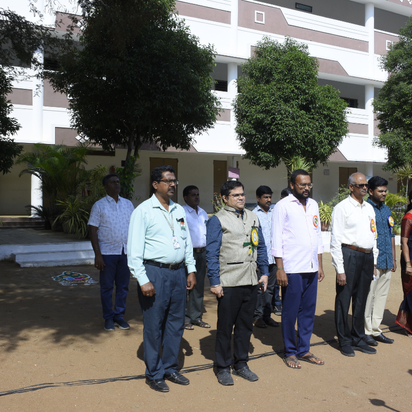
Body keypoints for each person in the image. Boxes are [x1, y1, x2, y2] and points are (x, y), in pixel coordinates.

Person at [127, 165, 196, 393]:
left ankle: (170, 368)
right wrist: (142, 279)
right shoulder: (143, 211)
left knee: (176, 323)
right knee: (154, 325)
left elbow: (186, 242)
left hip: (178, 273)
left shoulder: (179, 210)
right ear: (155, 184)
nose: (173, 184)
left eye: (174, 180)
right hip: (154, 273)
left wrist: (191, 269)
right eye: (168, 181)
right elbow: (134, 250)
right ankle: (154, 374)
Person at [206, 180, 268, 386]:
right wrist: (214, 281)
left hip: (250, 279)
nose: (241, 198)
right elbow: (212, 253)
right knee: (225, 327)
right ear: (225, 198)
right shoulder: (218, 220)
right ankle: (223, 367)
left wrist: (264, 272)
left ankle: (241, 363)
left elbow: (261, 245)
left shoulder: (252, 217)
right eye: (236, 195)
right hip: (229, 281)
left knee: (245, 326)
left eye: (242, 194)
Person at [271, 169, 325, 369]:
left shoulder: (313, 205)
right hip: (292, 268)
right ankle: (290, 351)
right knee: (290, 312)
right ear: (292, 185)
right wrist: (280, 268)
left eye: (309, 184)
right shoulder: (282, 206)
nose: (306, 188)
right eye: (302, 185)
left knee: (308, 311)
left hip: (311, 267)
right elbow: (276, 237)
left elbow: (317, 235)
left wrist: (319, 265)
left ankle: (304, 349)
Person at [330, 172, 378, 357]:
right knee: (344, 299)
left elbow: (373, 234)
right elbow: (335, 240)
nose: (365, 188)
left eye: (366, 185)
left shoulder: (369, 208)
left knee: (361, 299)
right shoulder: (342, 208)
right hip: (349, 254)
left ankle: (358, 337)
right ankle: (344, 340)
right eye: (361, 185)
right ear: (351, 187)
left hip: (367, 256)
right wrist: (340, 269)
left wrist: (374, 261)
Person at [88, 174, 135, 331]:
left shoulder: (128, 204)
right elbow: (93, 230)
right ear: (105, 187)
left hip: (125, 252)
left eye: (118, 181)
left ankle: (119, 316)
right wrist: (98, 254)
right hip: (107, 253)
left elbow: (134, 227)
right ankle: (108, 317)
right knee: (107, 287)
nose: (116, 184)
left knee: (123, 287)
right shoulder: (99, 205)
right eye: (112, 182)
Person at [364, 176, 396, 346]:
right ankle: (366, 330)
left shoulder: (387, 209)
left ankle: (376, 329)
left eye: (385, 190)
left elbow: (392, 234)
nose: (384, 193)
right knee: (369, 295)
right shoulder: (366, 209)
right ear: (370, 191)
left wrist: (393, 258)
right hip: (373, 260)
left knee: (381, 296)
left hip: (387, 259)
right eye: (380, 191)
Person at [182, 185, 210, 330]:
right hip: (188, 253)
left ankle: (195, 317)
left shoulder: (203, 213)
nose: (196, 197)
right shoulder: (182, 212)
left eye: (197, 194)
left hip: (202, 253)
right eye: (193, 195)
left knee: (198, 286)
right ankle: (184, 318)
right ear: (185, 197)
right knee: (185, 285)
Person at [252, 185, 279, 328]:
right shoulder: (253, 215)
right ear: (258, 198)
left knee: (271, 288)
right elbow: (252, 239)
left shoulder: (275, 213)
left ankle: (267, 316)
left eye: (270, 197)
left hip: (273, 258)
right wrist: (255, 260)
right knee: (259, 288)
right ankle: (257, 317)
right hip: (260, 259)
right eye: (265, 197)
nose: (268, 200)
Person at [395, 190, 412, 337]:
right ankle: (408, 325)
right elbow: (404, 243)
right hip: (410, 258)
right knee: (410, 291)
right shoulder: (408, 218)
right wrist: (408, 263)